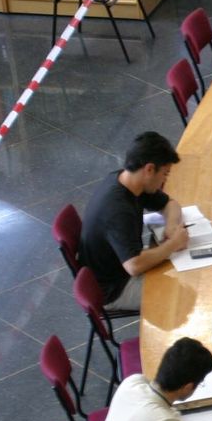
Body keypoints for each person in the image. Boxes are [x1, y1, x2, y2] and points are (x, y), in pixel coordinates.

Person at [79, 132, 187, 311]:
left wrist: (171, 226)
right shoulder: (117, 210)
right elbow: (134, 265)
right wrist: (173, 244)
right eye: (165, 174)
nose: (164, 180)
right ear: (149, 169)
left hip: (124, 267)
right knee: (180, 295)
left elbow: (170, 204)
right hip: (117, 288)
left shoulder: (127, 180)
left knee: (185, 273)